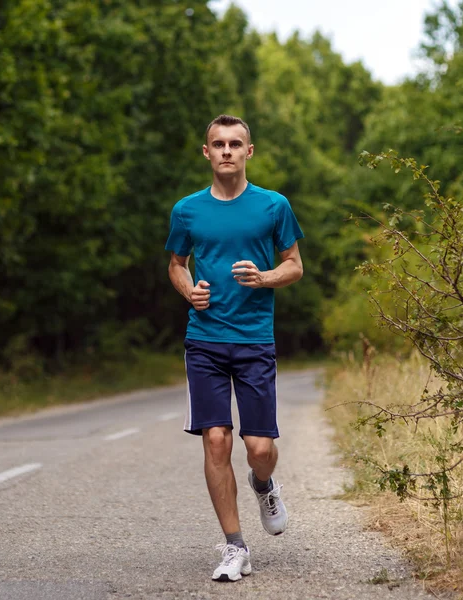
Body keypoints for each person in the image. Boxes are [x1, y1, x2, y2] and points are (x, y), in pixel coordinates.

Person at [165, 114, 304, 582]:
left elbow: (295, 266)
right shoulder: (187, 210)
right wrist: (189, 292)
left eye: (235, 144)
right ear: (206, 152)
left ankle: (263, 484)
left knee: (259, 447)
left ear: (249, 151)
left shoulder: (273, 206)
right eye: (218, 144)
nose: (227, 150)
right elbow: (176, 265)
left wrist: (264, 277)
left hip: (254, 340)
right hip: (204, 339)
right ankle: (234, 546)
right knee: (217, 438)